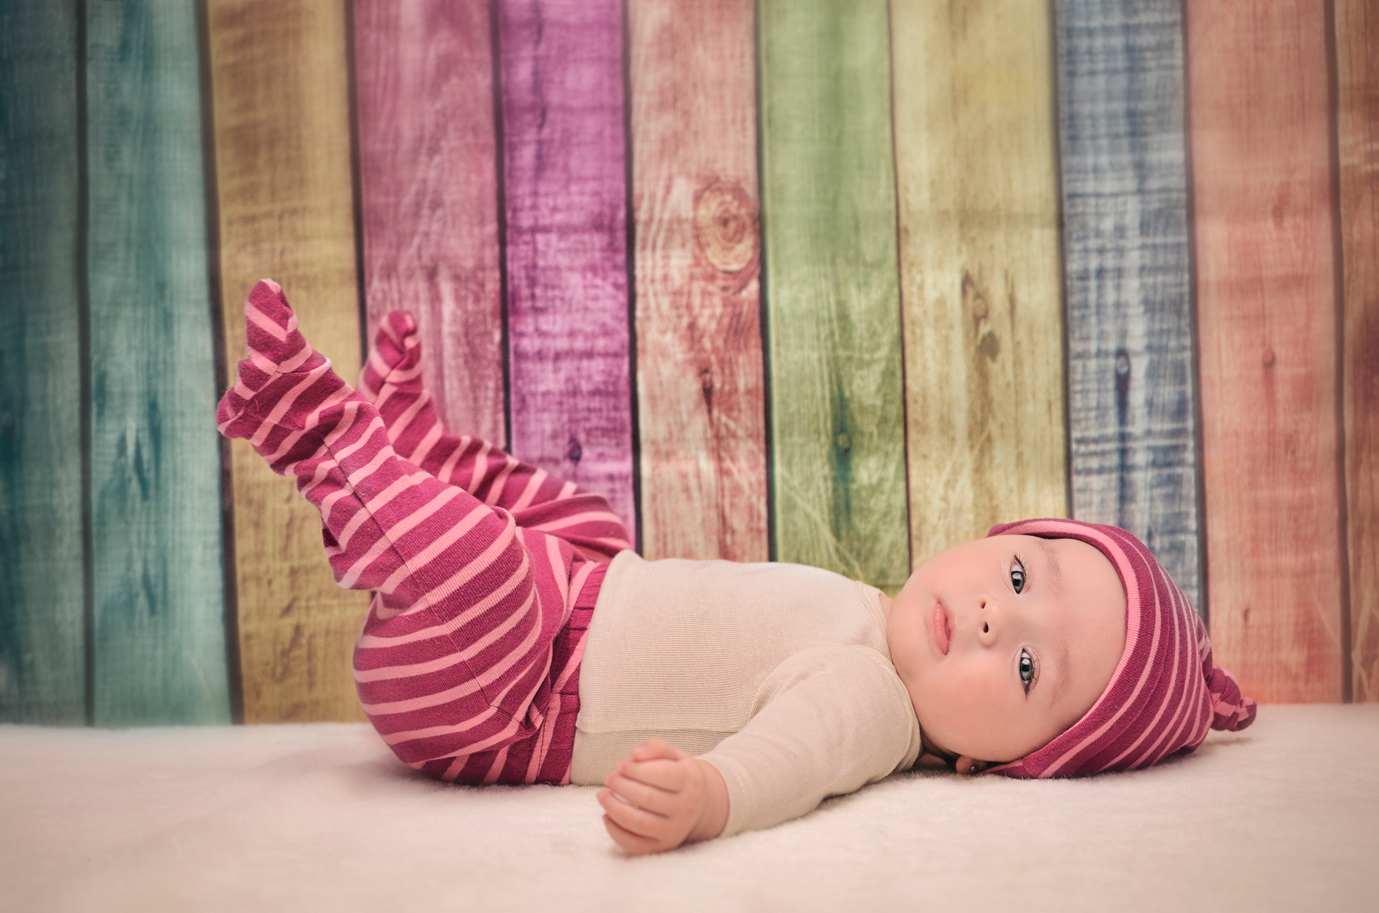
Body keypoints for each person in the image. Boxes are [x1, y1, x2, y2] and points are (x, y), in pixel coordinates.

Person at [218, 279, 1257, 856]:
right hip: (577, 599)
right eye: (1021, 578)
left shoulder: (875, 701)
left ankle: (321, 439)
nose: (994, 617)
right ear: (996, 537)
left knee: (493, 573)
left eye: (1027, 670)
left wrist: (710, 794)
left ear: (1002, 763)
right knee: (586, 526)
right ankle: (419, 450)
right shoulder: (867, 613)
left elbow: (792, 756)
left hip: (502, 694)